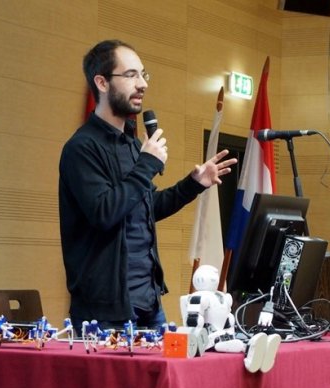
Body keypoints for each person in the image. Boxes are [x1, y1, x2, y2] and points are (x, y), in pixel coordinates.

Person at [59, 39, 237, 332]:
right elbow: (104, 212)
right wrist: (146, 165)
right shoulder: (82, 148)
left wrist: (193, 184)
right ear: (102, 82)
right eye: (131, 75)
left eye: (143, 74)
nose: (142, 84)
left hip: (149, 302)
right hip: (104, 312)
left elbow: (145, 208)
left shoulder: (131, 145)